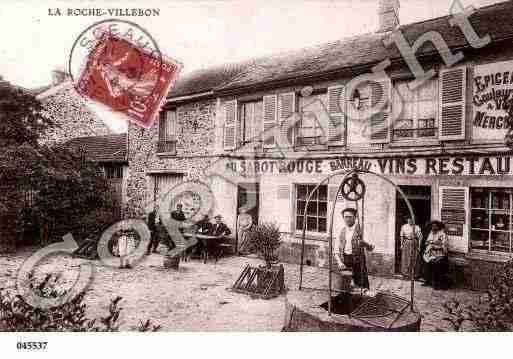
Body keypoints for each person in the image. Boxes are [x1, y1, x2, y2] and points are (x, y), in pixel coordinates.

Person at [334, 208, 374, 289]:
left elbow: (371, 248)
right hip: (345, 261)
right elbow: (335, 250)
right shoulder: (341, 230)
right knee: (345, 287)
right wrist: (340, 263)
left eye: (350, 217)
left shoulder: (361, 230)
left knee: (361, 286)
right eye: (345, 217)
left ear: (355, 217)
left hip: (358, 262)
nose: (347, 219)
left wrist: (365, 244)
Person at [422, 220, 449, 289]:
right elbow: (427, 242)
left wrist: (436, 244)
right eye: (432, 226)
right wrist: (431, 243)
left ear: (438, 227)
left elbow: (444, 245)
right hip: (431, 253)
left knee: (436, 264)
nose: (433, 227)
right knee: (426, 263)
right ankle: (427, 280)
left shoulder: (442, 234)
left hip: (439, 254)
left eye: (435, 226)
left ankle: (436, 283)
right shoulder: (431, 233)